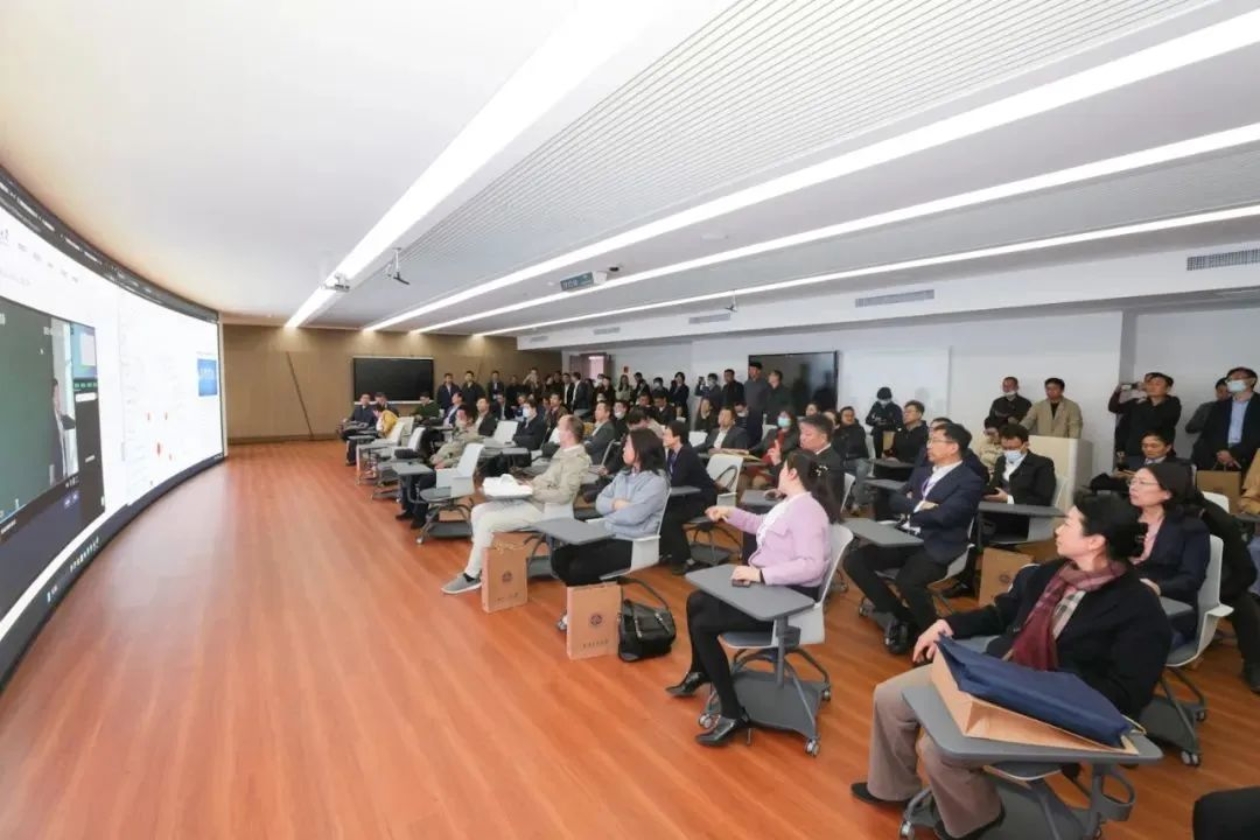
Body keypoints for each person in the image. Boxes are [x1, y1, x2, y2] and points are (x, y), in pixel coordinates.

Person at [851, 492, 1172, 840]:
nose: (1058, 530)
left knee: (938, 747)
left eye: (1068, 524)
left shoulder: (1139, 608)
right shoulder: (1052, 573)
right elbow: (1002, 613)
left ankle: (977, 820)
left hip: (1049, 702)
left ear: (1095, 541)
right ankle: (892, 788)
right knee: (891, 696)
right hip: (998, 672)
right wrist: (949, 624)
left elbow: (1127, 693)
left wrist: (1037, 686)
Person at [667, 450, 838, 746]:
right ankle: (700, 670)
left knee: (703, 624)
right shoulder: (790, 504)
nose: (778, 472)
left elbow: (812, 567)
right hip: (771, 592)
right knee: (696, 601)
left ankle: (733, 714)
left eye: (782, 468)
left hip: (787, 604)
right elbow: (761, 524)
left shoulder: (809, 512)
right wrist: (729, 513)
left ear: (792, 473)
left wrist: (760, 574)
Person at [843, 423, 985, 654]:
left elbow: (945, 516)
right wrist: (921, 505)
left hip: (937, 543)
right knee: (854, 561)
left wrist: (912, 507)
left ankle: (935, 639)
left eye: (935, 440)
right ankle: (905, 617)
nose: (928, 445)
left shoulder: (970, 481)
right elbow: (894, 501)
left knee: (908, 581)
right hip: (905, 537)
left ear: (953, 447)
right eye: (929, 440)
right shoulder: (922, 472)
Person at [441, 416, 590, 595]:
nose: (556, 430)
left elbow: (564, 495)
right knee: (478, 511)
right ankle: (481, 566)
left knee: (488, 521)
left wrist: (533, 490)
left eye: (559, 427)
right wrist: (526, 484)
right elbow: (547, 479)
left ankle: (470, 576)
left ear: (569, 433)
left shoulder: (576, 459)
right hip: (532, 499)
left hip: (546, 509)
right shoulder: (563, 451)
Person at [552, 430, 670, 621]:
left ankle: (588, 610)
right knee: (559, 558)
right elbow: (600, 501)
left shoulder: (656, 482)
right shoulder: (624, 474)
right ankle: (592, 605)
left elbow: (634, 516)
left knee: (580, 567)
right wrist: (617, 504)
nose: (623, 449)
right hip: (607, 534)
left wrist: (611, 512)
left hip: (634, 543)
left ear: (641, 449)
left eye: (628, 444)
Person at [1129, 463, 1210, 639]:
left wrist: (1158, 588)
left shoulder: (1190, 527)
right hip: (1123, 603)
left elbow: (1191, 579)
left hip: (1168, 612)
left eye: (1142, 483)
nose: (1133, 487)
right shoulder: (1125, 518)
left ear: (1167, 493)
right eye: (1132, 481)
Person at [398, 406, 481, 526]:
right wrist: (435, 457)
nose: (457, 419)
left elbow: (466, 459)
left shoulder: (474, 437)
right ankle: (410, 510)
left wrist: (445, 463)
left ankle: (420, 517)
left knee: (425, 480)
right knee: (412, 474)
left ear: (470, 419)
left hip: (452, 470)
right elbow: (449, 449)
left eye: (460, 417)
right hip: (439, 462)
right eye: (457, 416)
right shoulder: (459, 431)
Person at [660, 420, 718, 571]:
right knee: (659, 512)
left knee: (670, 519)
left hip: (702, 499)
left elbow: (676, 480)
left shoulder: (686, 453)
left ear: (677, 437)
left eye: (666, 434)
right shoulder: (672, 452)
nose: (663, 437)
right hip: (684, 496)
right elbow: (667, 477)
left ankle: (684, 559)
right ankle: (667, 551)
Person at [983, 423, 1057, 540]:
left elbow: (1043, 500)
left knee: (977, 524)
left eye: (1012, 448)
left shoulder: (1042, 464)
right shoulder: (1001, 461)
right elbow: (995, 487)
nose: (1008, 452)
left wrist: (1008, 499)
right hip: (996, 511)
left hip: (1023, 518)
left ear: (1025, 445)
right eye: (1004, 448)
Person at [1193, 366, 1260, 474]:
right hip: (1221, 457)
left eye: (1237, 378)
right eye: (1229, 379)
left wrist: (1234, 453)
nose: (1232, 382)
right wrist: (1220, 451)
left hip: (1253, 458)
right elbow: (1209, 431)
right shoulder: (1219, 405)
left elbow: (1256, 435)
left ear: (1251, 381)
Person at [1109, 372, 1182, 459]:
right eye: (1149, 384)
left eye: (1157, 384)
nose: (1152, 386)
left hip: (1159, 454)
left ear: (1167, 389)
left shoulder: (1173, 403)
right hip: (1134, 453)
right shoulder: (1138, 403)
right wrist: (1119, 390)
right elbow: (1114, 408)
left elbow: (1156, 422)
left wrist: (1145, 403)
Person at [834, 405, 870, 510]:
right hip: (842, 460)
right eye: (846, 415)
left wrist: (842, 436)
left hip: (858, 459)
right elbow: (834, 447)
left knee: (862, 469)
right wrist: (836, 432)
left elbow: (855, 444)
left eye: (852, 415)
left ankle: (857, 501)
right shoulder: (836, 430)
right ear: (840, 417)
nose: (849, 418)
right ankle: (842, 500)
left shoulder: (859, 429)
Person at [865, 387, 902, 460]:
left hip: (890, 434)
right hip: (877, 434)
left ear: (890, 398)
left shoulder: (896, 408)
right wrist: (876, 422)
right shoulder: (875, 407)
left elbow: (899, 423)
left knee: (888, 456)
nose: (883, 401)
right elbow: (868, 420)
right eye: (881, 399)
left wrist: (886, 423)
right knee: (877, 456)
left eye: (885, 399)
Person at [341, 393, 377, 465]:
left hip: (366, 430)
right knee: (344, 433)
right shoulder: (357, 408)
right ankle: (348, 443)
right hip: (356, 428)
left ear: (369, 400)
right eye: (363, 398)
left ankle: (351, 460)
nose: (365, 400)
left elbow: (372, 422)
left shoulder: (372, 409)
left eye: (367, 398)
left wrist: (365, 425)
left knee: (352, 440)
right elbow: (352, 418)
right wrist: (347, 420)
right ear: (360, 400)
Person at [743, 362, 770, 445]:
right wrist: (744, 408)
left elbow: (768, 400)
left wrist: (764, 413)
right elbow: (744, 399)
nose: (750, 371)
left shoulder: (765, 384)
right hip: (747, 415)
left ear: (759, 371)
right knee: (746, 438)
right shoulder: (747, 383)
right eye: (749, 369)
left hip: (759, 416)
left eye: (752, 369)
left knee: (756, 439)